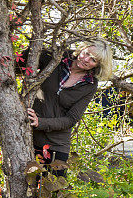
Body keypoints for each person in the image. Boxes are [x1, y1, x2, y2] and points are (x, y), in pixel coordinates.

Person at [25, 41, 113, 176]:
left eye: (93, 59)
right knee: (27, 189)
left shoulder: (89, 84)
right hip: (28, 137)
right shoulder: (55, 58)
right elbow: (21, 63)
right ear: (81, 48)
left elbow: (71, 119)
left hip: (57, 145)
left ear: (97, 65)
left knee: (52, 193)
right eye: (86, 53)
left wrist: (40, 122)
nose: (86, 59)